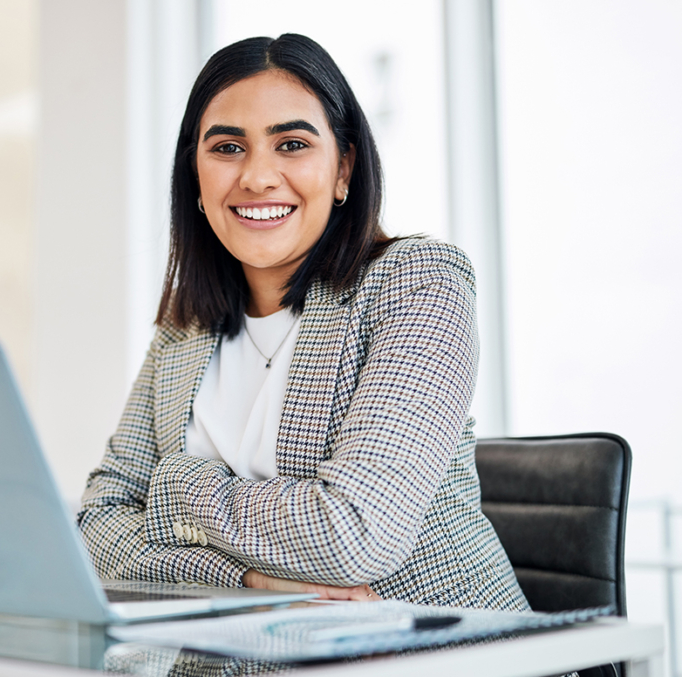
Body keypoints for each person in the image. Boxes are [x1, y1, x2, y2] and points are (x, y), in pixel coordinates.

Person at [77, 33, 528, 611]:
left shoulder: (417, 281)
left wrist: (178, 488)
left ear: (343, 169)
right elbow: (94, 530)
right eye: (227, 148)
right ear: (194, 175)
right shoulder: (184, 327)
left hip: (440, 657)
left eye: (291, 144)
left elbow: (353, 537)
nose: (258, 177)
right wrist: (244, 584)